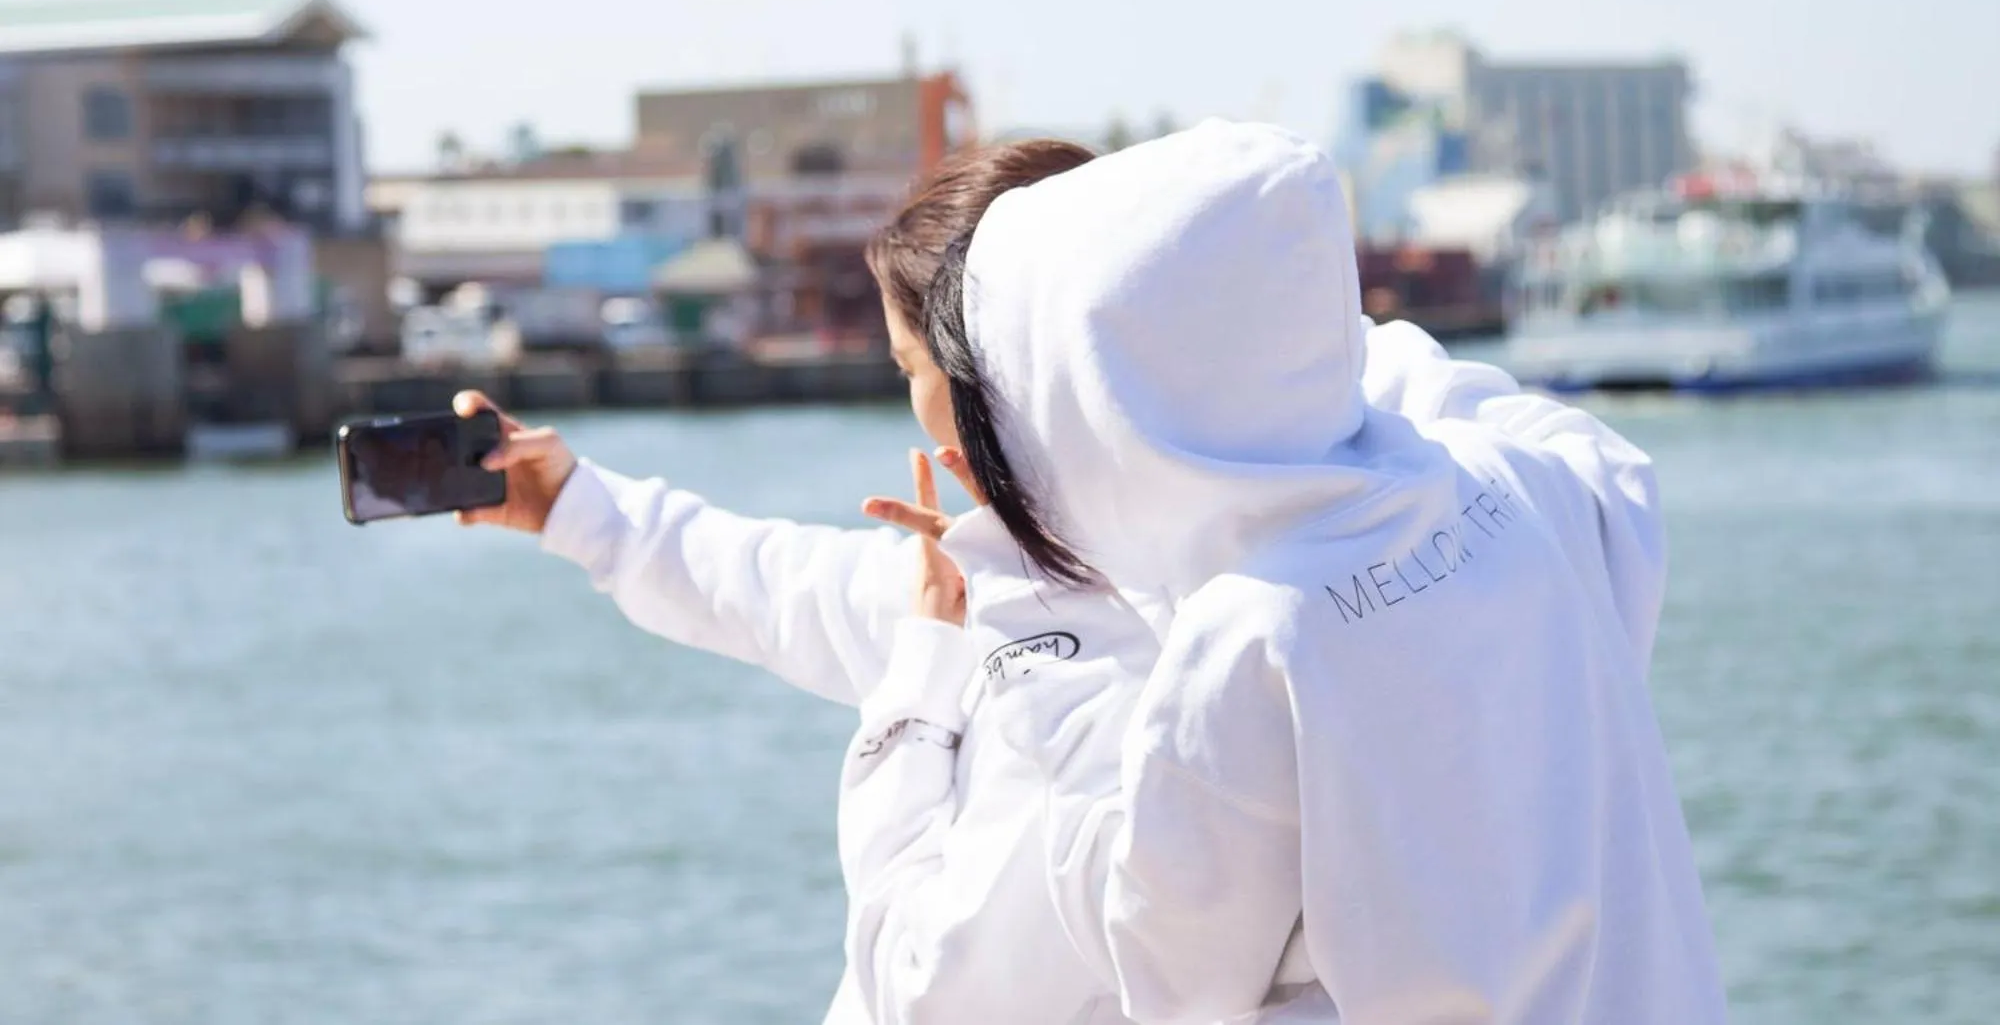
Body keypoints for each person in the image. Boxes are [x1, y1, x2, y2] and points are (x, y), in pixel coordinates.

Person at [871, 121, 1728, 1025]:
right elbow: (1609, 472)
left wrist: (1033, 592)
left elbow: (1167, 968)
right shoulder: (1505, 484)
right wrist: (1299, 338)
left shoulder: (1247, 639)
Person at [453, 139, 1159, 1025]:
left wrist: (926, 666)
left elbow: (926, 986)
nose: (913, 398)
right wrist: (571, 504)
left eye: (909, 367)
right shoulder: (1037, 572)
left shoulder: (1091, 662)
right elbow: (770, 583)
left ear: (993, 376)